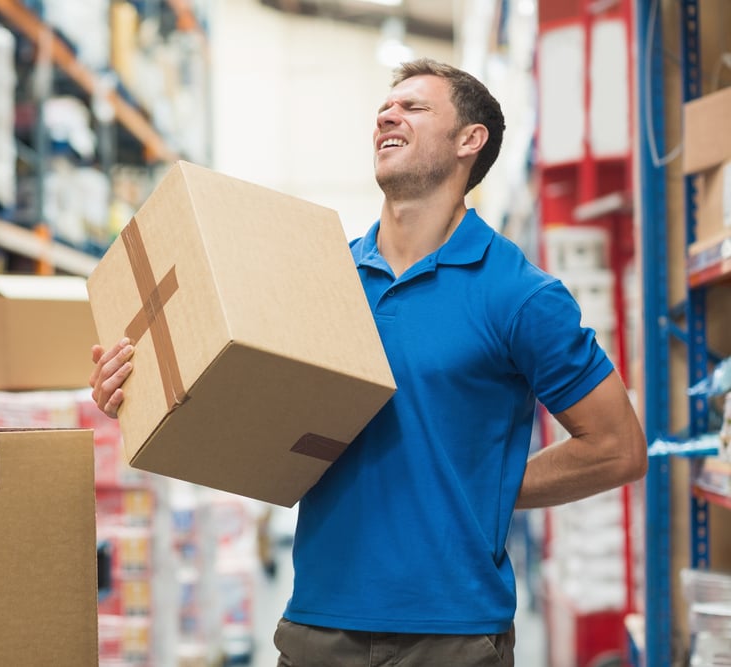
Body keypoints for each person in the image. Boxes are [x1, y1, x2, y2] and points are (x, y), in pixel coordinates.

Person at [89, 58, 648, 666]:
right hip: (317, 624)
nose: (388, 112)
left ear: (470, 140)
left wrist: (486, 489)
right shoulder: (323, 280)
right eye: (386, 105)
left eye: (415, 106)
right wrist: (139, 390)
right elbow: (249, 412)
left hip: (454, 634)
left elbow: (617, 447)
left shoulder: (520, 294)